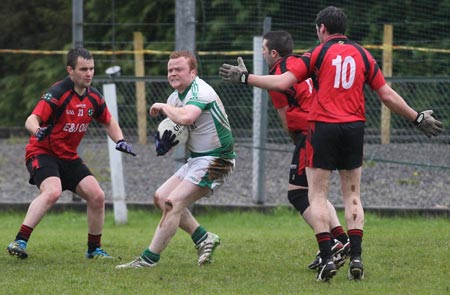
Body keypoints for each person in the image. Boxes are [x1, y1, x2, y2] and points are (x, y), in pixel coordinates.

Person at [219, 6, 443, 282]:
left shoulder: (318, 53)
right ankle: (357, 258)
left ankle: (327, 257)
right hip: (353, 127)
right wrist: (417, 117)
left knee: (317, 195)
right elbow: (386, 94)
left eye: (317, 28)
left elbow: (283, 81)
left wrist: (245, 77)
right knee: (352, 195)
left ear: (322, 28)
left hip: (322, 128)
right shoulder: (362, 54)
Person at [6, 47, 136, 260]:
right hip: (42, 152)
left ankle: (94, 250)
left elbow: (108, 121)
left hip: (68, 156)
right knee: (53, 191)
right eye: (83, 69)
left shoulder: (94, 97)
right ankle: (19, 240)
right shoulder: (57, 93)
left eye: (92, 69)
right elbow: (32, 118)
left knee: (97, 196)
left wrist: (120, 140)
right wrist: (38, 130)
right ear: (70, 70)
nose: (89, 74)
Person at [116, 50, 235, 269]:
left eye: (178, 69)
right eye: (170, 69)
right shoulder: (174, 98)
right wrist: (164, 145)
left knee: (173, 203)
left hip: (219, 159)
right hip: (197, 159)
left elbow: (187, 117)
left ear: (193, 72)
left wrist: (161, 106)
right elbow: (182, 132)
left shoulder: (201, 90)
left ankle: (148, 259)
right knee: (161, 198)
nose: (173, 73)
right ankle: (203, 238)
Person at [262, 30, 349, 270]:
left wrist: (295, 139)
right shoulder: (302, 62)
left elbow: (286, 119)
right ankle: (342, 240)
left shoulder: (277, 75)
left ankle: (331, 244)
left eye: (263, 49)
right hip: (330, 125)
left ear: (273, 53)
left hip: (310, 132)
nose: (262, 54)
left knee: (298, 194)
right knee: (316, 192)